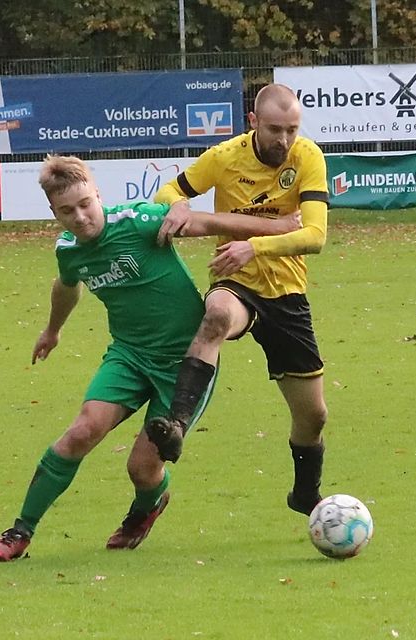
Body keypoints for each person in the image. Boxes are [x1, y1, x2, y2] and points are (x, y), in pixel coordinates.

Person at [0, 154, 299, 561]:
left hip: (185, 362)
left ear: (98, 194)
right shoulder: (68, 250)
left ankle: (147, 505)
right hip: (128, 357)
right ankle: (20, 532)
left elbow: (214, 223)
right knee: (81, 432)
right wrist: (53, 330)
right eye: (67, 211)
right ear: (53, 212)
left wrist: (277, 229)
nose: (80, 217)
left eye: (85, 204)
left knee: (141, 468)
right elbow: (67, 286)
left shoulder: (140, 221)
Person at [150, 83, 330, 517]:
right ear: (253, 122)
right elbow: (167, 193)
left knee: (314, 417)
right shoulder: (225, 157)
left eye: (291, 129)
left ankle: (305, 494)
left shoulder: (308, 157)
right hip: (237, 281)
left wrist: (254, 245)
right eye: (274, 129)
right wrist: (176, 205)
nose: (284, 140)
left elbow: (316, 236)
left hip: (287, 294)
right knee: (215, 315)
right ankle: (176, 423)